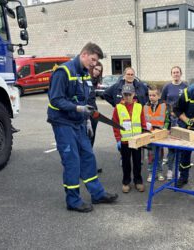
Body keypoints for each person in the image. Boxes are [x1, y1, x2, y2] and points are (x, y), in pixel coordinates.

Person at [47, 42, 118, 213]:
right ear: (84, 54)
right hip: (63, 123)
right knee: (72, 162)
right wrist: (77, 108)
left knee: (88, 157)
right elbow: (55, 100)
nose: (94, 64)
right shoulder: (63, 72)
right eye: (93, 59)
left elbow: (85, 99)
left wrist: (86, 119)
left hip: (79, 123)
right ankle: (73, 200)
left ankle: (97, 194)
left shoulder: (85, 74)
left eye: (96, 61)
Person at [112, 84, 147, 193]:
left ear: (134, 94)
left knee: (137, 162)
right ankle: (126, 182)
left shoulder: (139, 106)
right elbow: (115, 124)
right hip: (125, 141)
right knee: (126, 163)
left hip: (136, 140)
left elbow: (143, 122)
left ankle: (138, 181)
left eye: (129, 95)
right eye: (125, 95)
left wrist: (144, 134)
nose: (127, 97)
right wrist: (118, 139)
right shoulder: (118, 107)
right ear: (122, 95)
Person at [161, 66, 187, 180]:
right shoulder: (167, 86)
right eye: (174, 72)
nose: (176, 74)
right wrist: (169, 112)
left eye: (177, 72)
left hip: (182, 120)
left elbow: (188, 102)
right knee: (171, 146)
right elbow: (162, 101)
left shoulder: (185, 86)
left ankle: (179, 170)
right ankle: (170, 170)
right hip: (171, 120)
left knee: (181, 145)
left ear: (181, 74)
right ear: (171, 74)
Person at [144, 85, 170, 182]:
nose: (151, 97)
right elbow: (143, 121)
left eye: (154, 95)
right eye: (150, 95)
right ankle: (151, 172)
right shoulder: (145, 106)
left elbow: (167, 120)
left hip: (160, 134)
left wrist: (165, 129)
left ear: (158, 96)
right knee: (151, 155)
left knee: (159, 155)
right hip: (149, 134)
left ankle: (159, 172)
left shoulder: (164, 106)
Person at [88, 61, 103, 173]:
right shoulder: (85, 80)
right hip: (85, 114)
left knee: (91, 139)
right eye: (95, 69)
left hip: (94, 114)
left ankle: (89, 165)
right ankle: (84, 167)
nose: (97, 72)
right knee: (85, 141)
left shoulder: (94, 82)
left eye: (99, 70)